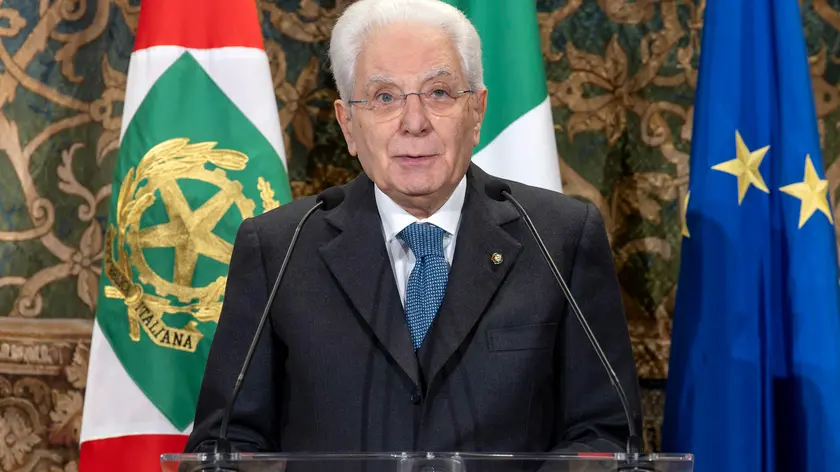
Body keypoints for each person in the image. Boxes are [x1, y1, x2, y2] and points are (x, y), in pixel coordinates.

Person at [185, 0, 641, 455]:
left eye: (439, 92)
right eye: (384, 97)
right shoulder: (280, 248)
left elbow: (605, 433)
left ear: (477, 111)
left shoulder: (559, 238)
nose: (415, 123)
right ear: (348, 124)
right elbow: (226, 445)